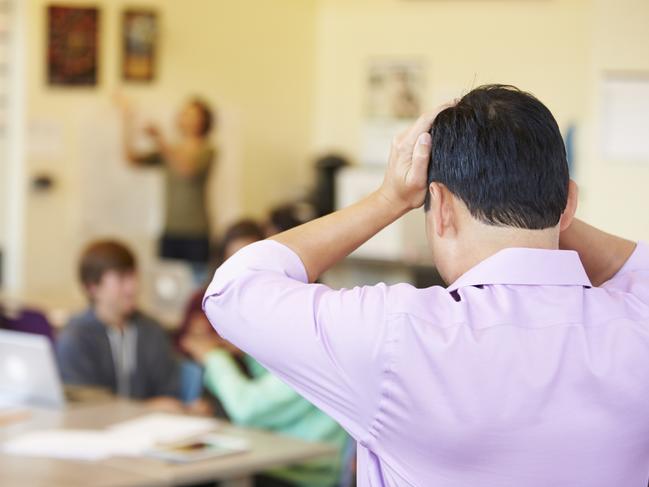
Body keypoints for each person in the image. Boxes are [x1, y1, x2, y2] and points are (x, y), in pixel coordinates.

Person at [202, 85, 649, 486]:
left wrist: (388, 198)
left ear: (439, 206)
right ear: (570, 203)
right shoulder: (637, 326)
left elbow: (235, 286)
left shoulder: (398, 335)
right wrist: (543, 209)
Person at [181, 219, 348, 487]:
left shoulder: (312, 338)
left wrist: (213, 356)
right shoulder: (297, 323)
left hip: (304, 473)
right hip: (279, 463)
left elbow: (249, 407)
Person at [56, 240, 183, 409]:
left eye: (134, 276)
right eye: (122, 279)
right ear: (93, 287)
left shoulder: (152, 331)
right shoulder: (75, 337)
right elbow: (84, 405)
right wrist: (146, 408)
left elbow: (169, 396)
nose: (133, 288)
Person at [121, 97, 216, 278]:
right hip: (170, 230)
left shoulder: (208, 150)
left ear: (203, 120)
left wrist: (159, 139)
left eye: (192, 114)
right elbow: (131, 159)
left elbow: (187, 170)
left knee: (196, 286)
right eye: (184, 113)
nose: (186, 118)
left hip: (197, 232)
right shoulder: (170, 150)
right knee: (167, 287)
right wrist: (127, 120)